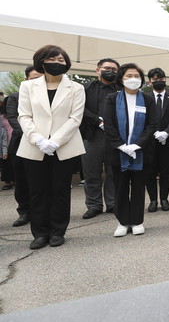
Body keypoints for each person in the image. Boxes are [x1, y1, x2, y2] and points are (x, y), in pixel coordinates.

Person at [17, 45, 86, 249]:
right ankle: (39, 233)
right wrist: (39, 140)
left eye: (61, 60)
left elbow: (75, 118)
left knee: (60, 190)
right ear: (42, 62)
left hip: (64, 147)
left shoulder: (76, 88)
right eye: (52, 60)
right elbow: (24, 116)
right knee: (37, 190)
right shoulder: (27, 86)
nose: (57, 63)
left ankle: (57, 231)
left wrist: (55, 141)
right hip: (34, 146)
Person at [103, 64, 157, 237]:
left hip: (141, 151)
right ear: (121, 79)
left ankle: (137, 221)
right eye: (129, 76)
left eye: (137, 76)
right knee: (120, 186)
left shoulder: (148, 99)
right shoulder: (112, 98)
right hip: (118, 151)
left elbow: (152, 124)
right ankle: (122, 221)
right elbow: (108, 124)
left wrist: (137, 145)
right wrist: (122, 146)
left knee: (139, 186)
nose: (133, 79)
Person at [80, 58, 120, 219]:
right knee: (91, 173)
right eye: (107, 68)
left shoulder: (121, 89)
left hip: (115, 137)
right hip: (92, 135)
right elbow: (79, 108)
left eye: (114, 69)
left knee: (113, 172)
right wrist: (98, 121)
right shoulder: (86, 88)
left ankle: (113, 203)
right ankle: (94, 205)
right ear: (98, 70)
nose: (110, 71)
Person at [5, 66, 44, 227]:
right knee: (22, 181)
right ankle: (25, 211)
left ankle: (42, 211)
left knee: (42, 180)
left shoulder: (50, 96)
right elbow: (13, 119)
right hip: (21, 143)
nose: (38, 81)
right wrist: (34, 137)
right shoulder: (15, 97)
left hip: (46, 145)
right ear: (26, 79)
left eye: (41, 78)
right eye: (34, 78)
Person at [144, 68, 169, 213]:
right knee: (149, 172)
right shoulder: (144, 98)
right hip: (149, 141)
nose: (158, 81)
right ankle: (153, 200)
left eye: (161, 78)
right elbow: (142, 119)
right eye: (155, 79)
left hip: (167, 141)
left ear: (165, 80)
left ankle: (164, 199)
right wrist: (152, 133)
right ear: (150, 82)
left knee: (165, 171)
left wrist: (166, 132)